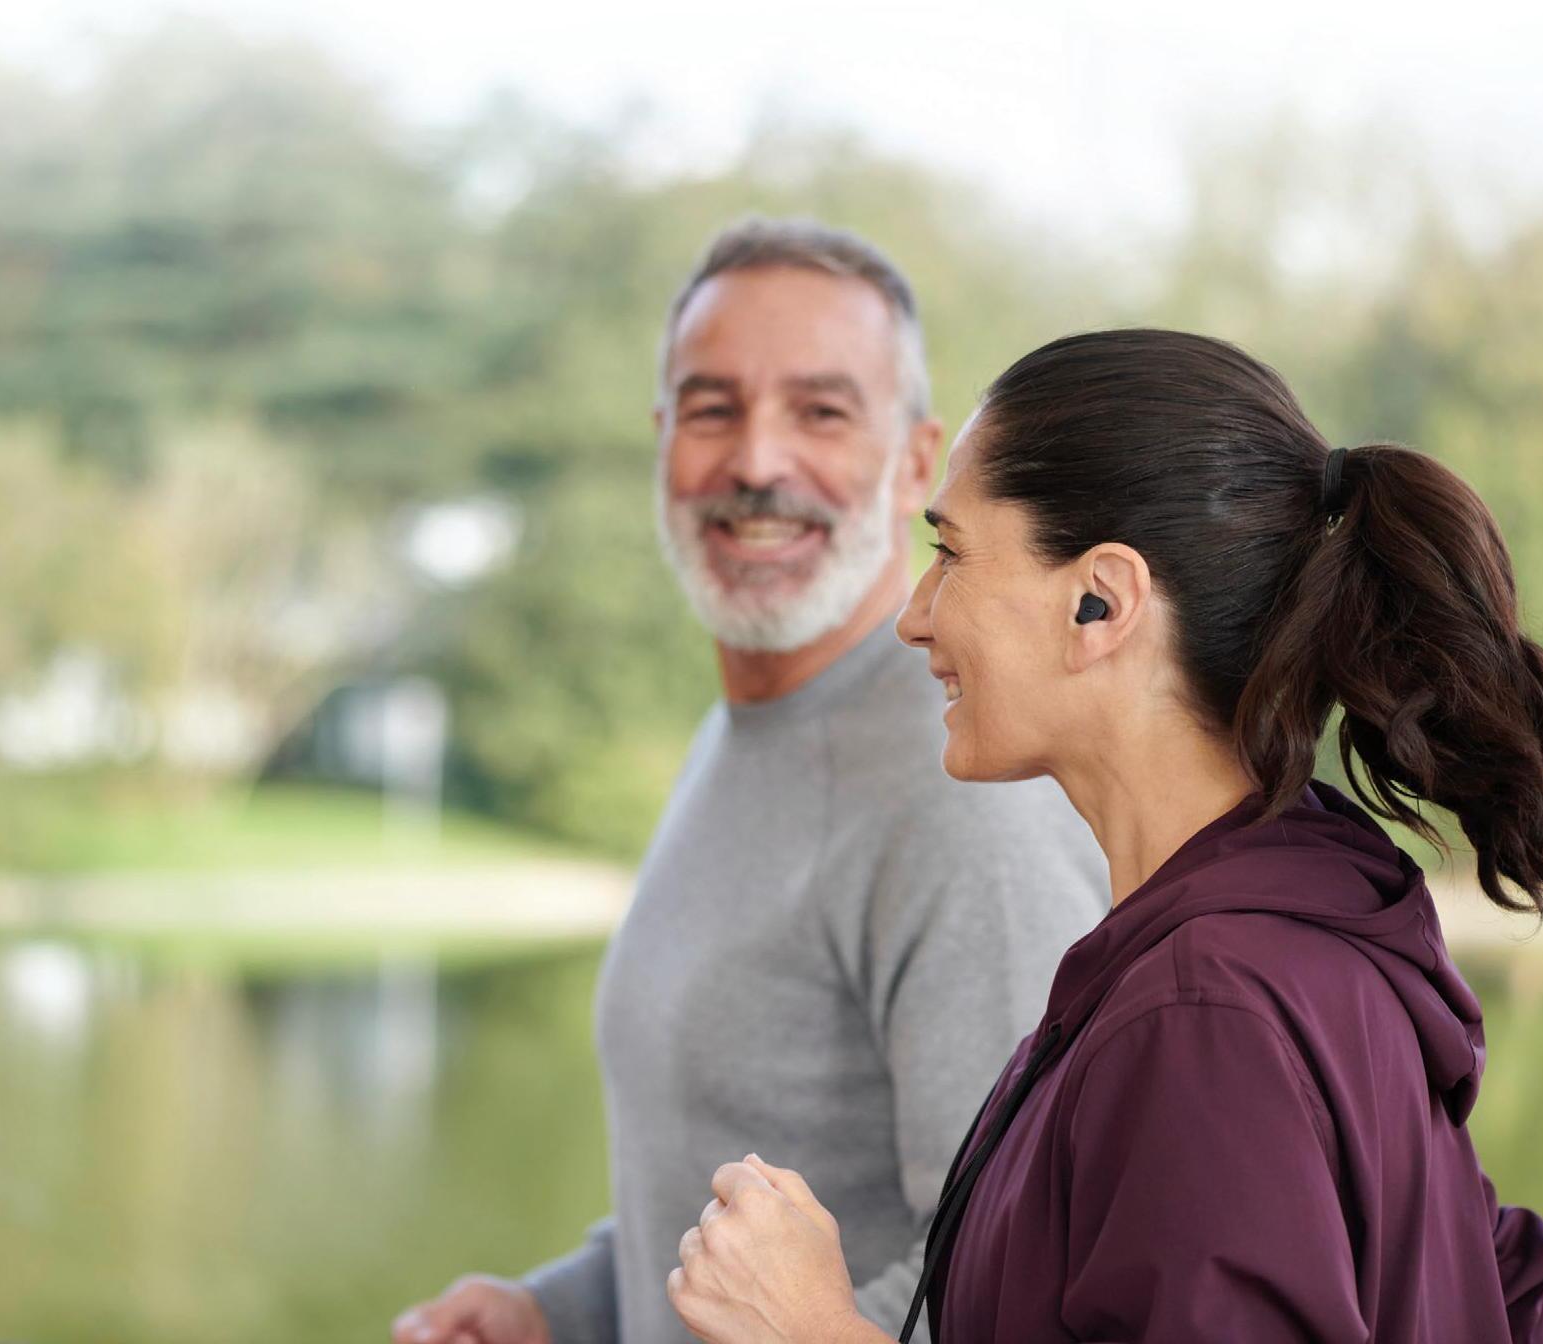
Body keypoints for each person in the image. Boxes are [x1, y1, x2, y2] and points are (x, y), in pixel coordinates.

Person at [666, 328, 1543, 1343]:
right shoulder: (1277, 945)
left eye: (949, 552)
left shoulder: (1204, 1013)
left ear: (1102, 602)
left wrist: (814, 1332)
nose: (915, 615)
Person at [391, 222, 1108, 1344]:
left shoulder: (965, 790)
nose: (758, 462)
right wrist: (560, 1310)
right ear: (662, 442)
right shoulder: (740, 733)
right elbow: (722, 1197)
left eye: (820, 412)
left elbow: (1014, 1280)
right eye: (712, 409)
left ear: (915, 463)